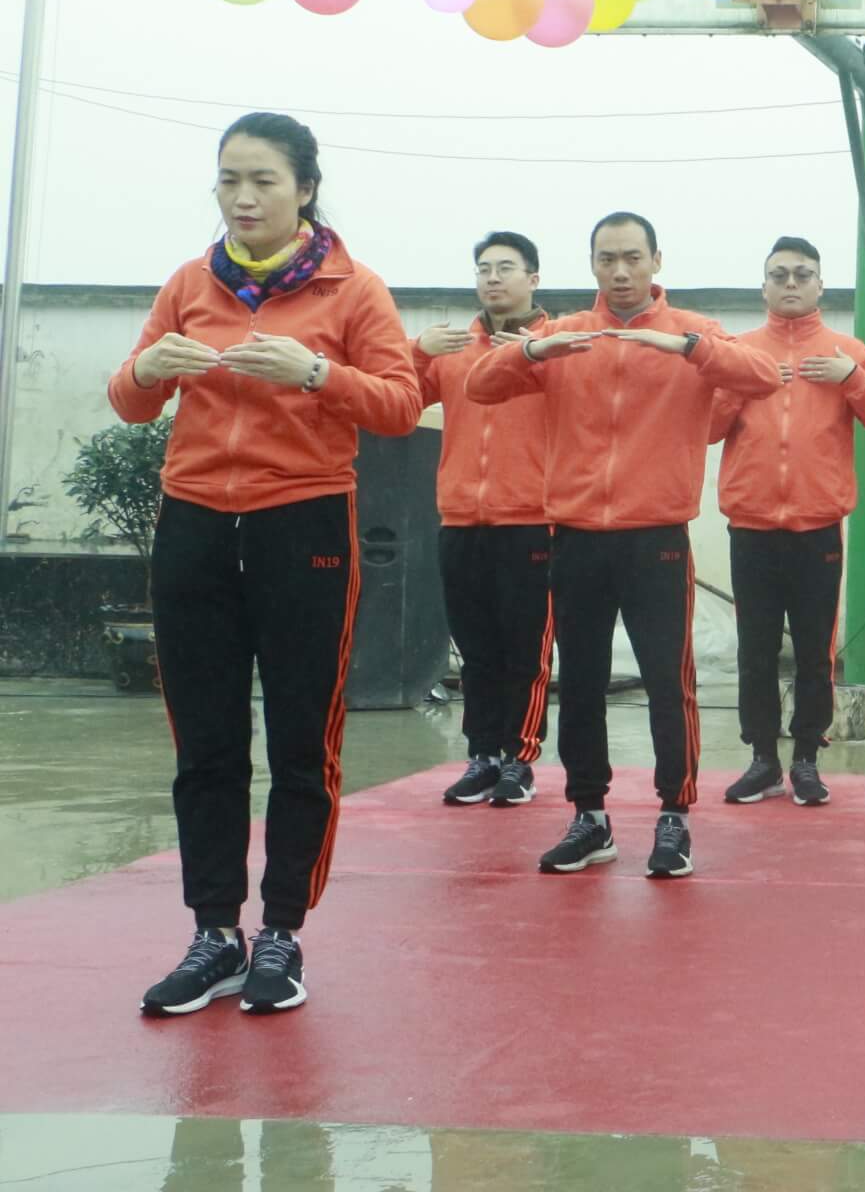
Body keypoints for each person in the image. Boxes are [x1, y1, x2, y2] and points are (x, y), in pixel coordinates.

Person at [113, 113, 421, 1017]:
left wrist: (316, 373)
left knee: (300, 741)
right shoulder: (189, 283)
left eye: (263, 181)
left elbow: (401, 406)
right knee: (205, 744)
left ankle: (281, 932)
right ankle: (214, 933)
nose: (242, 198)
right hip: (195, 525)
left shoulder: (354, 289)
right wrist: (148, 369)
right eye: (229, 180)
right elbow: (131, 403)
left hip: (304, 523)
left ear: (306, 189)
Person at [467, 212, 778, 882]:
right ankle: (590, 816)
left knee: (669, 681)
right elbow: (479, 386)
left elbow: (764, 376)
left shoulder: (694, 331)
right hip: (576, 537)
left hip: (656, 538)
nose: (620, 271)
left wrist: (690, 348)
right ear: (592, 265)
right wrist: (531, 353)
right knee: (580, 683)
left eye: (633, 257)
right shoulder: (565, 335)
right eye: (607, 258)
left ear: (656, 260)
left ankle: (674, 815)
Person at [708, 236, 865, 809]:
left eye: (802, 274)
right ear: (763, 287)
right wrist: (738, 384)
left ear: (820, 286)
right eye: (779, 274)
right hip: (752, 526)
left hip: (817, 529)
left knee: (815, 650)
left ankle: (807, 758)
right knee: (755, 650)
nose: (791, 283)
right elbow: (706, 429)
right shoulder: (737, 352)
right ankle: (763, 758)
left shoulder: (848, 352)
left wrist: (850, 377)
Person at [414, 232, 554, 810]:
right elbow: (396, 397)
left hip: (532, 519)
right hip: (460, 519)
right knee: (476, 649)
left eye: (505, 268)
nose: (492, 278)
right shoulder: (451, 349)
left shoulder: (555, 346)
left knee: (526, 650)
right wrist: (417, 350)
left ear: (533, 278)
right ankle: (483, 756)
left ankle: (521, 759)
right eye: (483, 269)